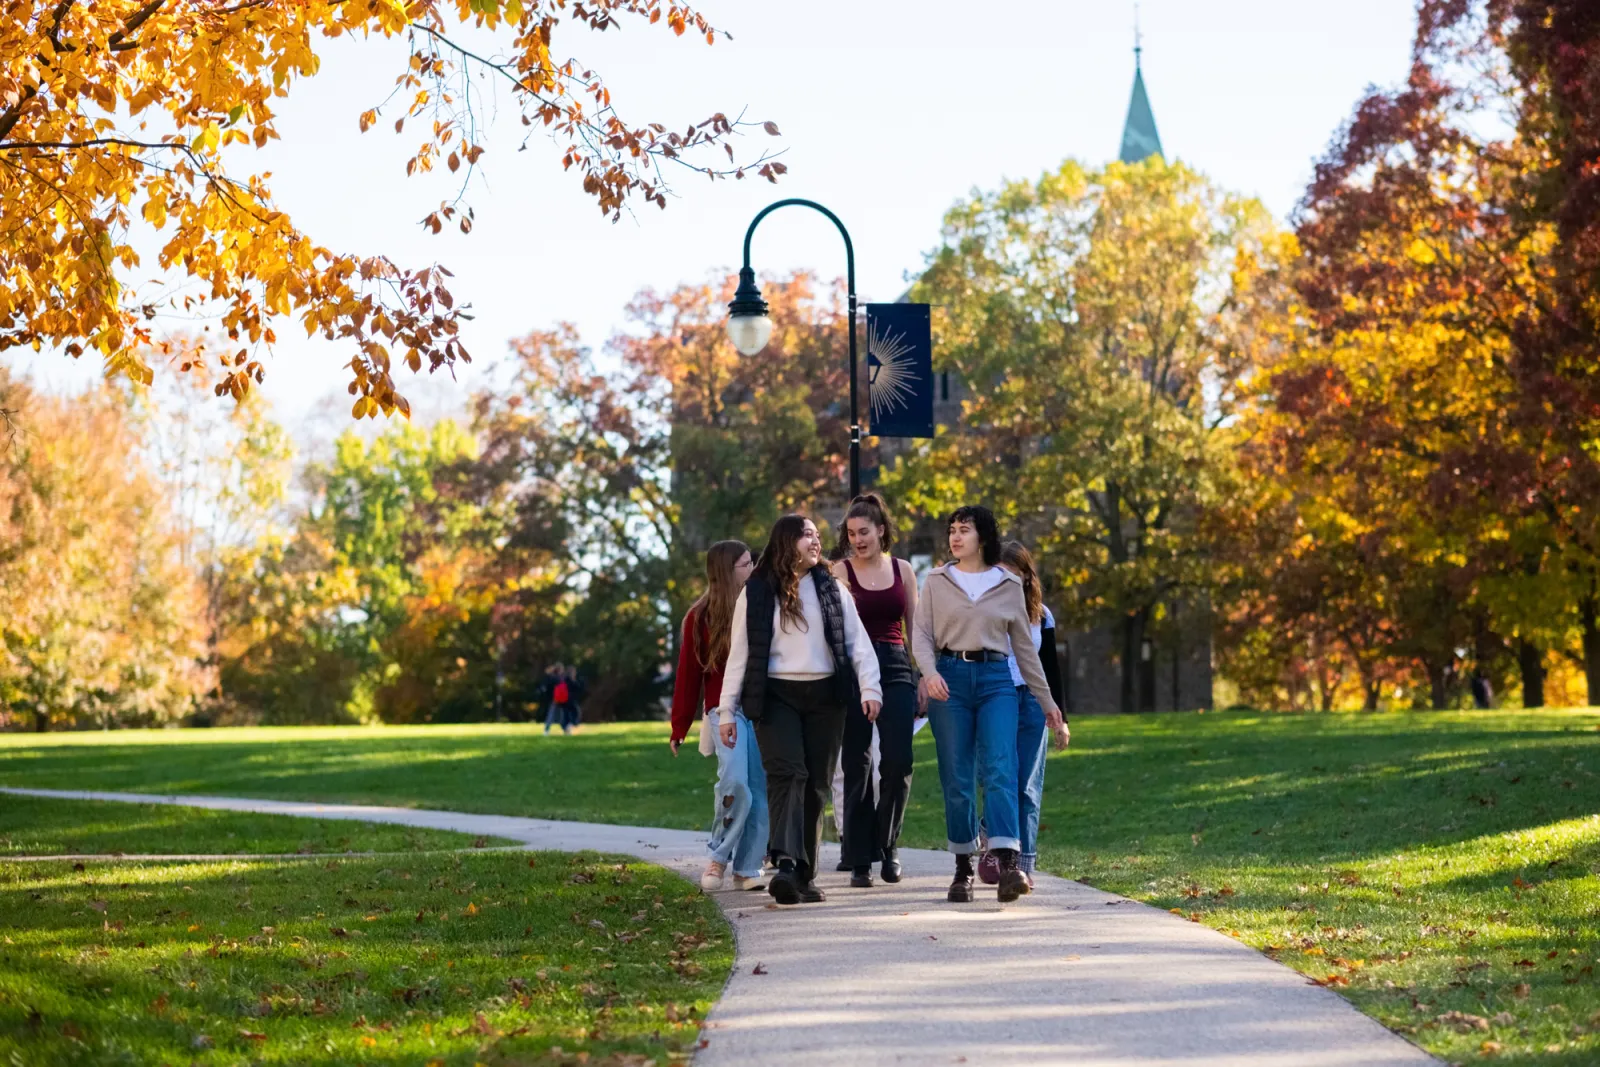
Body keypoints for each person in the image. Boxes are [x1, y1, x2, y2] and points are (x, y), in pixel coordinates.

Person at [716, 515, 883, 906]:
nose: (816, 541)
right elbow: (739, 653)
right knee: (788, 774)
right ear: (786, 541)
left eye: (818, 535)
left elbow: (857, 642)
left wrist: (870, 687)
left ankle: (804, 876)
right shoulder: (757, 590)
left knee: (816, 784)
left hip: (826, 697)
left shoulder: (832, 587)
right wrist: (726, 711)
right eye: (807, 534)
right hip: (776, 696)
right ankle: (787, 864)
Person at [912, 505, 1068, 904]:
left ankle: (1009, 864)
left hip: (997, 679)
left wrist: (1047, 701)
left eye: (964, 529)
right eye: (952, 529)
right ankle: (963, 867)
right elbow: (921, 636)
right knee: (958, 777)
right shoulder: (937, 581)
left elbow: (1026, 651)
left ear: (983, 537)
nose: (955, 536)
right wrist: (929, 674)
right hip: (950, 680)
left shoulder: (1008, 584)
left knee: (1002, 768)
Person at [830, 493, 919, 888]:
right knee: (857, 763)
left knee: (898, 762)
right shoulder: (840, 571)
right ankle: (859, 857)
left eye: (864, 531)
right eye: (851, 533)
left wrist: (922, 675)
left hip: (896, 666)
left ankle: (888, 843)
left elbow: (916, 628)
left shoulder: (903, 570)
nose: (858, 540)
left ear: (881, 530)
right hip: (854, 671)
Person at [669, 540, 768, 892]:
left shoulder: (762, 603)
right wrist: (679, 726)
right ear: (727, 571)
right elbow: (688, 675)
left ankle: (748, 866)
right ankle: (718, 855)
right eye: (746, 564)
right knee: (735, 781)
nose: (753, 569)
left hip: (761, 708)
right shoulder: (700, 617)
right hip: (724, 711)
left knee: (760, 788)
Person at [977, 541, 1068, 888]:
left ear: (1027, 577)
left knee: (1027, 786)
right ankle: (991, 834)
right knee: (999, 777)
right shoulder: (985, 610)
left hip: (1032, 701)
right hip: (996, 697)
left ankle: (1024, 865)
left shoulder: (1042, 616)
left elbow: (1051, 670)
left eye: (1012, 575)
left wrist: (1060, 718)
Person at [541, 663, 566, 735]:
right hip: (557, 699)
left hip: (554, 699)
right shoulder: (559, 678)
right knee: (554, 715)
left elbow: (545, 687)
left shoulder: (552, 677)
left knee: (559, 715)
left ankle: (564, 729)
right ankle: (547, 730)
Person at [560, 666, 586, 732]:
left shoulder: (564, 679)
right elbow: (576, 687)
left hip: (564, 700)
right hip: (570, 700)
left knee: (566, 714)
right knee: (576, 712)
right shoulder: (570, 680)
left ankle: (566, 727)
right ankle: (571, 724)